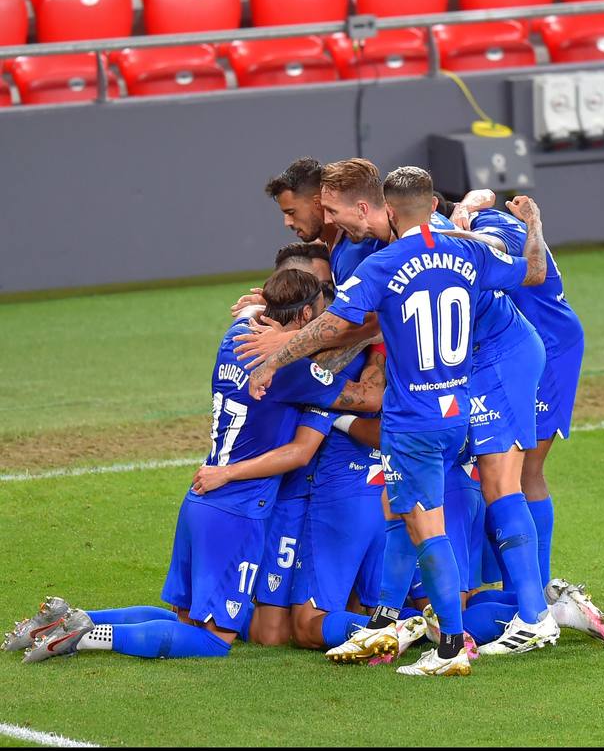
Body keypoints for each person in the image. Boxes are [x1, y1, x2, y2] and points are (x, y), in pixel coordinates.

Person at [248, 167, 547, 677]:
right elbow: (532, 272)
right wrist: (535, 226)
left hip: (413, 417)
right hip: (457, 404)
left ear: (386, 210)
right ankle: (389, 614)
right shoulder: (468, 249)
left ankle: (452, 647)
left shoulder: (383, 264)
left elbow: (335, 323)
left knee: (425, 524)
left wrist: (276, 358)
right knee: (399, 509)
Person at [11, 270, 382, 663]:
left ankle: (70, 619)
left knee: (186, 622)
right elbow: (368, 399)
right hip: (238, 509)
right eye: (320, 320)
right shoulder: (293, 372)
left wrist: (260, 305)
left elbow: (255, 313)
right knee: (214, 640)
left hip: (201, 502)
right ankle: (85, 637)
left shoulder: (234, 337)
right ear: (306, 315)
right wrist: (373, 339)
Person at [439, 197, 604, 650]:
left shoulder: (492, 224)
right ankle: (533, 596)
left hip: (544, 347)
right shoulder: (477, 212)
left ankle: (535, 604)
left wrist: (449, 231)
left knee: (519, 472)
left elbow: (518, 255)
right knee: (507, 472)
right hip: (524, 345)